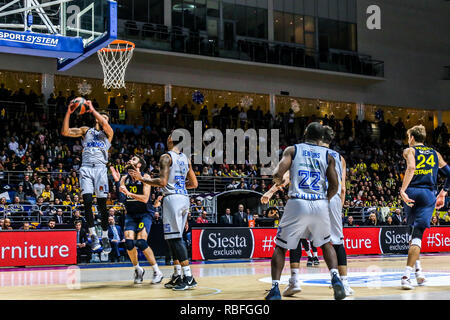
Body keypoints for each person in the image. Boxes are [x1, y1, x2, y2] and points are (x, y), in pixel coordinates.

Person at [265, 122, 345, 300]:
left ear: (305, 133)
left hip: (298, 202)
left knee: (280, 247)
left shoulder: (293, 150)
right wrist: (325, 198)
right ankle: (335, 279)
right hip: (320, 203)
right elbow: (335, 185)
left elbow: (278, 173)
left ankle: (275, 289)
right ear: (321, 138)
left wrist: (278, 182)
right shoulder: (328, 154)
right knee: (326, 244)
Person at [129, 133, 198, 291]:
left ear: (170, 140)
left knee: (175, 239)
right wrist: (177, 186)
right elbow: (194, 183)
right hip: (184, 198)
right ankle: (178, 274)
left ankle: (188, 277)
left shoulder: (166, 157)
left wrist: (141, 178)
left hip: (172, 199)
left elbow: (162, 182)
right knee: (173, 239)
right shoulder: (186, 158)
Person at [399, 125, 450, 290]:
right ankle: (414, 273)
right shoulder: (435, 154)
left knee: (412, 233)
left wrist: (403, 190)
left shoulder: (409, 151)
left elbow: (411, 168)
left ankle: (412, 274)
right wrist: (443, 193)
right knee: (417, 236)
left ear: (412, 138)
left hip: (412, 192)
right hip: (428, 194)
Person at [61, 99, 113, 254]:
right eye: (103, 118)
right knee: (88, 202)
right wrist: (68, 113)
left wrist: (92, 108)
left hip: (100, 170)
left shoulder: (108, 134)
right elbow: (65, 132)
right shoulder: (86, 131)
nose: (104, 121)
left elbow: (105, 124)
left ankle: (104, 236)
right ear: (97, 118)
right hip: (86, 169)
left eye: (106, 120)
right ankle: (93, 236)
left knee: (103, 205)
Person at [111, 155, 164, 284]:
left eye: (134, 159)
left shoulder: (145, 178)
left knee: (141, 242)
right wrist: (118, 185)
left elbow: (145, 199)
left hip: (145, 213)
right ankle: (138, 269)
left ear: (139, 165)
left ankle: (157, 271)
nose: (130, 160)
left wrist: (129, 193)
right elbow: (122, 200)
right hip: (130, 213)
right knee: (128, 243)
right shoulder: (124, 178)